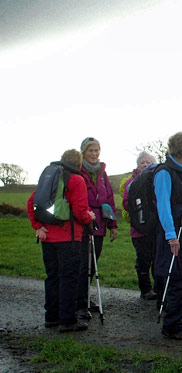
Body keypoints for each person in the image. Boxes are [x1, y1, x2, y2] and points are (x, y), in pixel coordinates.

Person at [27, 149, 95, 332]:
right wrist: (90, 217)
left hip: (48, 237)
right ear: (79, 164)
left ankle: (51, 316)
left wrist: (37, 226)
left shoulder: (50, 176)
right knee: (69, 278)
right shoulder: (76, 179)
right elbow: (80, 212)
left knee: (52, 277)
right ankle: (67, 320)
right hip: (68, 238)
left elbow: (31, 202)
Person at [154, 132, 182, 340]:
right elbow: (163, 206)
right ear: (181, 149)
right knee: (179, 279)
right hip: (174, 235)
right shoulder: (164, 173)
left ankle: (178, 319)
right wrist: (171, 236)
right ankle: (171, 325)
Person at [77, 137, 118, 320]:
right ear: (83, 152)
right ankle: (79, 302)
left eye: (96, 150)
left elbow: (108, 198)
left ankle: (84, 297)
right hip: (83, 222)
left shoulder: (102, 172)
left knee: (93, 262)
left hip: (100, 223)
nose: (94, 154)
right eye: (90, 151)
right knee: (82, 263)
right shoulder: (78, 171)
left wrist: (112, 225)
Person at [121, 151, 158, 301]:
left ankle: (158, 287)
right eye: (142, 162)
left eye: (148, 162)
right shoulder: (131, 182)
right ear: (137, 164)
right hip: (138, 228)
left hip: (155, 228)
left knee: (156, 258)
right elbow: (126, 202)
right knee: (143, 259)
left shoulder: (156, 179)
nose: (145, 164)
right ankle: (146, 289)